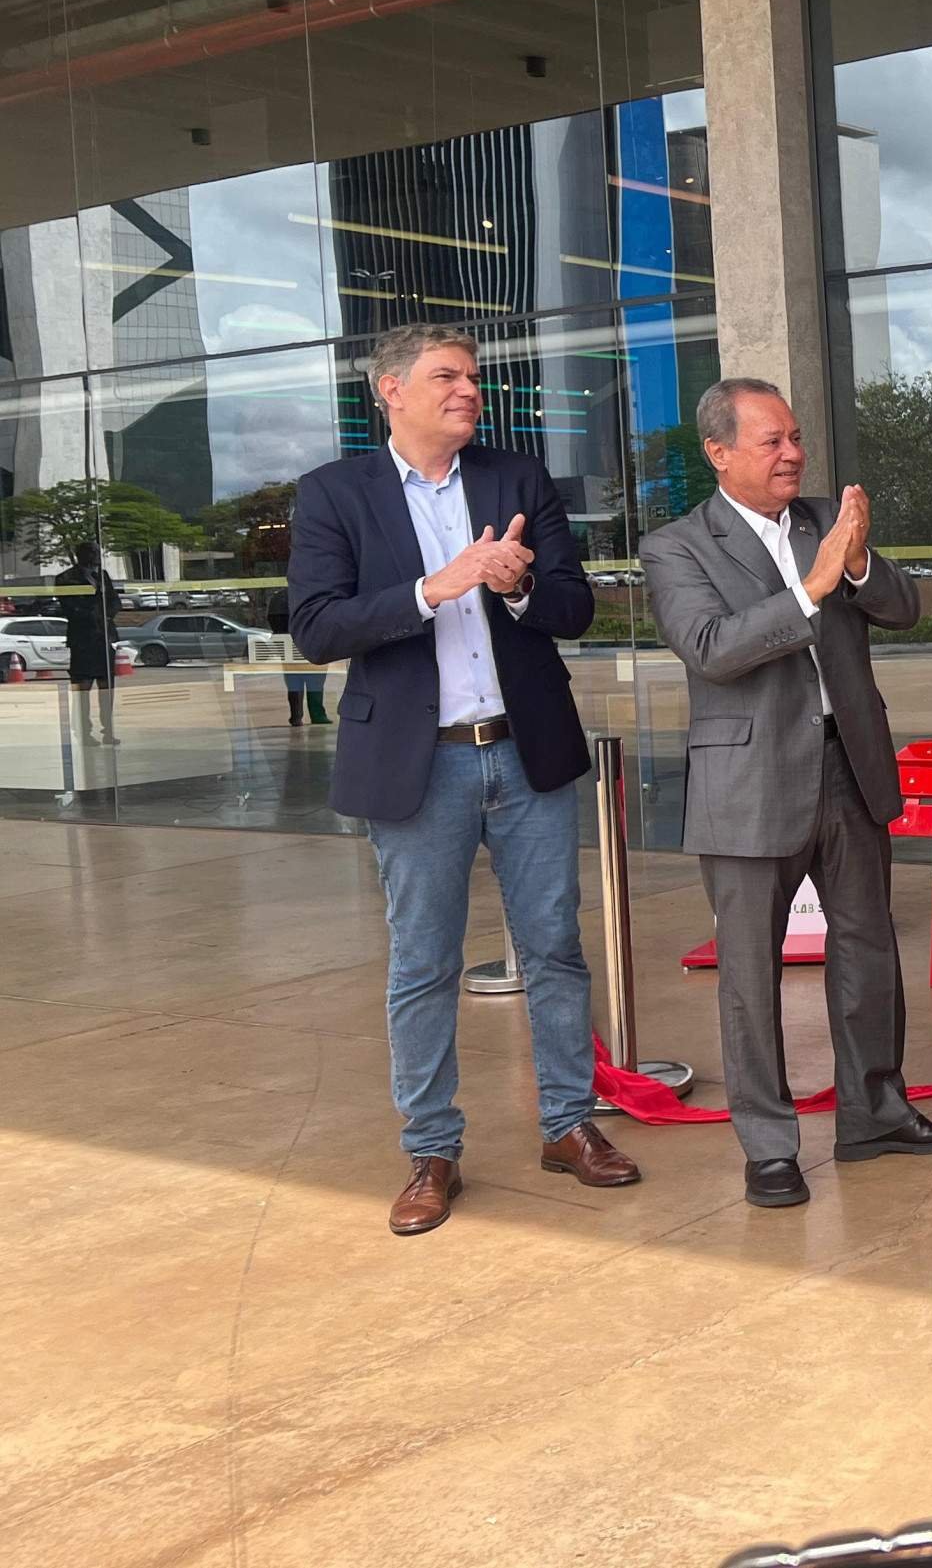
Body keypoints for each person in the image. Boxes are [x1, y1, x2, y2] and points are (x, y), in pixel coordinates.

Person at [289, 323, 640, 1235]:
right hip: (419, 761)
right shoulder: (336, 493)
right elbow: (317, 627)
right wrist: (431, 588)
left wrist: (519, 586)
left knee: (555, 947)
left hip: (524, 751)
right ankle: (432, 1149)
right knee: (422, 962)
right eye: (447, 376)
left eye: (475, 377)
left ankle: (569, 1124)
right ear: (390, 391)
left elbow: (575, 606)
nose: (468, 389)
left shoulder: (518, 479)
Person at [639, 377, 932, 1209]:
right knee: (750, 973)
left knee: (867, 948)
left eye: (795, 437)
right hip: (747, 783)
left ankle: (876, 1114)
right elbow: (713, 647)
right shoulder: (677, 546)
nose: (793, 453)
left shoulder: (829, 518)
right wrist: (811, 588)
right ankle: (769, 1146)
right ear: (719, 454)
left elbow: (904, 607)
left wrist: (856, 561)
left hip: (848, 763)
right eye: (771, 442)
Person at [54, 545, 121, 744]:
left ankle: (108, 730)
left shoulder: (103, 576)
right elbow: (70, 608)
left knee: (107, 689)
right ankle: (84, 732)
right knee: (83, 691)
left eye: (97, 553)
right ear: (80, 555)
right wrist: (92, 615)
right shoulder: (66, 578)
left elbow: (114, 601)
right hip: (83, 640)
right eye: (92, 553)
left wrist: (107, 615)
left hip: (104, 638)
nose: (96, 557)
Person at [266, 578, 327, 727]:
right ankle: (317, 714)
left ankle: (296, 716)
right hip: (307, 643)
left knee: (294, 683)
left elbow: (274, 621)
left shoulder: (280, 597)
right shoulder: (305, 595)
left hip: (289, 646)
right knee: (314, 682)